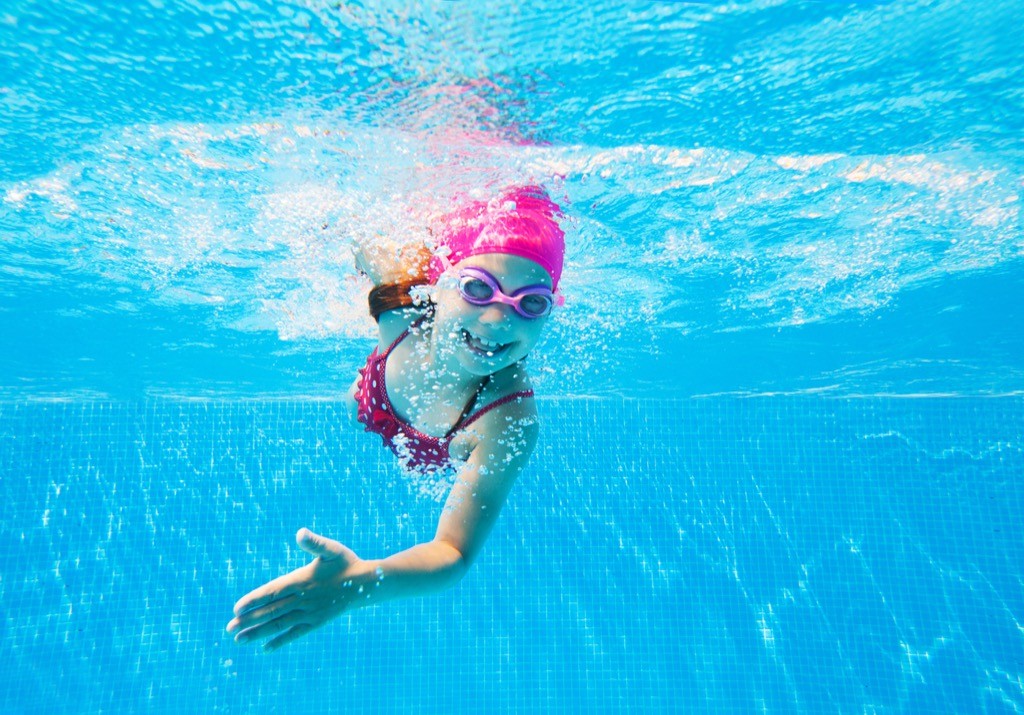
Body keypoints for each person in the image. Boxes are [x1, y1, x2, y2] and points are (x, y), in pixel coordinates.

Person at [226, 185, 565, 651]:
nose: (497, 322)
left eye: (531, 303)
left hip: (437, 446)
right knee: (353, 408)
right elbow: (344, 219)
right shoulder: (401, 309)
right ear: (440, 284)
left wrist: (358, 583)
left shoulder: (505, 421)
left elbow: (453, 552)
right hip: (372, 401)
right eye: (477, 289)